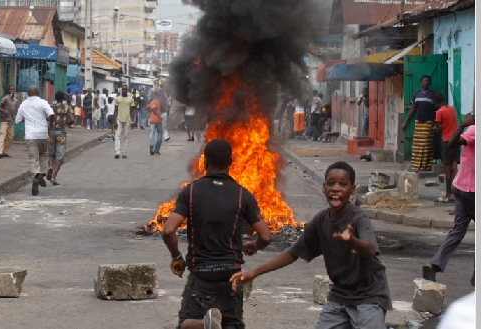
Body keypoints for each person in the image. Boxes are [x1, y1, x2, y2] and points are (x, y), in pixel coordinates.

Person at [231, 161, 391, 329]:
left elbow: (371, 250)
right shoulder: (321, 220)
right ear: (324, 188)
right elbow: (292, 253)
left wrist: (351, 240)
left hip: (368, 295)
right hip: (340, 295)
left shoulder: (359, 218)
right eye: (331, 183)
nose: (336, 188)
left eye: (343, 184)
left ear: (352, 189)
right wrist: (255, 272)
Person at [162, 139, 272, 329]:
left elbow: (168, 230)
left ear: (204, 162)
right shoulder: (242, 195)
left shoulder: (190, 192)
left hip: (201, 275)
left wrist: (176, 256)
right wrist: (254, 245)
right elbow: (266, 236)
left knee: (185, 325)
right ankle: (212, 324)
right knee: (231, 325)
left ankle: (204, 325)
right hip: (232, 275)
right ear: (231, 162)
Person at [423, 113, 475, 285]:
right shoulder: (475, 130)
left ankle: (433, 265)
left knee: (458, 229)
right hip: (471, 191)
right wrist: (461, 125)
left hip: (460, 188)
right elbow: (453, 144)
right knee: (459, 229)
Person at [14, 86, 55, 196]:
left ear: (28, 94)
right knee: (44, 154)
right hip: (42, 134)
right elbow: (51, 114)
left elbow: (17, 120)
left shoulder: (23, 104)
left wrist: (25, 118)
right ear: (37, 92)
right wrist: (50, 125)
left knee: (33, 157)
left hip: (30, 135)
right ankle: (42, 174)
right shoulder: (43, 102)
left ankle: (36, 176)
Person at [402, 75, 436, 172]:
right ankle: (416, 166)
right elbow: (413, 109)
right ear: (421, 82)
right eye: (424, 81)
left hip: (428, 122)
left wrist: (436, 123)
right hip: (418, 122)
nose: (425, 82)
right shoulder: (416, 94)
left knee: (426, 145)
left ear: (430, 83)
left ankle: (425, 166)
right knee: (417, 145)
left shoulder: (433, 94)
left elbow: (437, 109)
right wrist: (406, 122)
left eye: (427, 81)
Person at [433, 92, 459, 203]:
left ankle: (448, 194)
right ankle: (457, 193)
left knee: (447, 169)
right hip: (457, 140)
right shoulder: (451, 109)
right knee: (454, 168)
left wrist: (434, 128)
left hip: (447, 141)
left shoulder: (439, 112)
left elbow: (437, 128)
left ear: (436, 102)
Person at [47, 91, 74, 186]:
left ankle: (50, 167)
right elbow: (72, 119)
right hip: (61, 133)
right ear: (63, 98)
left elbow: (48, 118)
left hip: (51, 132)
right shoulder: (66, 107)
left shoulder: (51, 107)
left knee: (51, 154)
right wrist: (67, 124)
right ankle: (53, 177)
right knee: (60, 156)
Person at [0, 85, 18, 159]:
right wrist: (4, 111)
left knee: (10, 137)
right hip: (4, 120)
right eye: (10, 90)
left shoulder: (15, 100)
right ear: (8, 90)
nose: (11, 91)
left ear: (14, 91)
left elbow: (15, 110)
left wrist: (15, 116)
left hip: (11, 120)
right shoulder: (5, 98)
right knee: (2, 135)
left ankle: (5, 151)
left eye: (13, 90)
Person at [114, 85, 135, 159]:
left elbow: (132, 111)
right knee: (117, 135)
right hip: (119, 119)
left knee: (126, 137)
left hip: (127, 119)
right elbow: (115, 110)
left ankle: (124, 152)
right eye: (123, 89)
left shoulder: (131, 99)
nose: (124, 91)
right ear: (121, 90)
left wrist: (132, 122)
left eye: (126, 89)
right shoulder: (117, 99)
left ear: (127, 90)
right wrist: (115, 121)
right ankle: (117, 152)